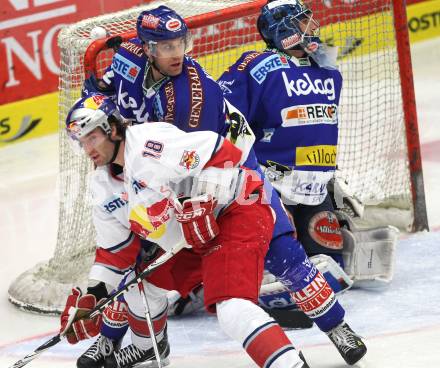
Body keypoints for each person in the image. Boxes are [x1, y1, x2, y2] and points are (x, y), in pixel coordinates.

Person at [80, 5, 367, 366]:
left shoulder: (187, 98)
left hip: (230, 168)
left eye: (181, 43)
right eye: (166, 46)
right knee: (134, 257)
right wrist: (98, 98)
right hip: (157, 170)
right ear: (147, 46)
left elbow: (209, 156)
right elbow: (108, 93)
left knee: (283, 253)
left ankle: (336, 325)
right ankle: (115, 340)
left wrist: (194, 200)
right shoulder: (129, 54)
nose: (178, 54)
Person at [61, 93, 311, 368]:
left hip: (235, 213)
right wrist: (93, 298)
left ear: (113, 127)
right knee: (139, 285)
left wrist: (204, 198)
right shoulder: (102, 186)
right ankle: (149, 348)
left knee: (231, 307)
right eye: (82, 143)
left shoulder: (150, 144)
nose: (88, 149)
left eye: (92, 138)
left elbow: (223, 152)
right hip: (191, 239)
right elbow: (114, 253)